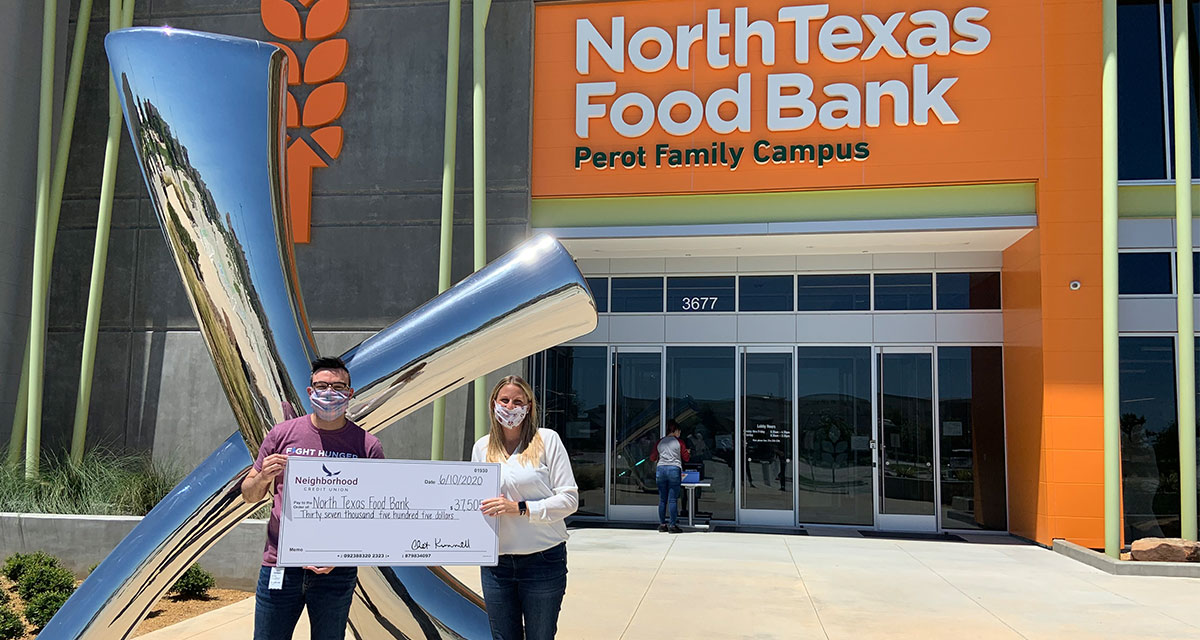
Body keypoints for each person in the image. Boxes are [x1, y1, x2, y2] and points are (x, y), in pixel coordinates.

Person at [242, 356, 385, 640]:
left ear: (350, 393)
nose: (329, 393)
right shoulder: (282, 435)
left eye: (338, 387)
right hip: (279, 566)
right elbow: (249, 494)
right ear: (310, 392)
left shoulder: (367, 445)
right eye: (322, 386)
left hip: (336, 573)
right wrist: (262, 477)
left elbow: (376, 515)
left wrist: (342, 553)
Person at [472, 375, 579, 640]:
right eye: (504, 400)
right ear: (494, 404)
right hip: (496, 566)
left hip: (542, 561)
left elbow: (569, 499)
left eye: (518, 401)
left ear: (529, 406)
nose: (510, 407)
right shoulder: (481, 447)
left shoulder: (547, 440)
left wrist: (521, 507)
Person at [651, 419, 690, 533]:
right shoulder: (679, 442)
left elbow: (652, 457)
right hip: (674, 469)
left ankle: (662, 524)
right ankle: (672, 525)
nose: (679, 434)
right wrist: (688, 452)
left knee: (662, 499)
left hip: (661, 469)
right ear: (675, 431)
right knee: (672, 500)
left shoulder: (660, 442)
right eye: (679, 431)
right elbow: (686, 458)